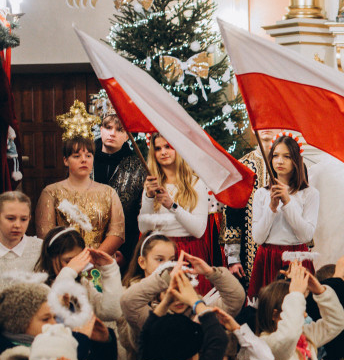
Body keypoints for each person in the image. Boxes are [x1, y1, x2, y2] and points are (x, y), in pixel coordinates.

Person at [139, 134, 216, 289]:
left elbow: (199, 230)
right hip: (160, 252)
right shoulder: (151, 184)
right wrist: (148, 197)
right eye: (158, 148)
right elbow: (144, 229)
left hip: (188, 251)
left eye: (168, 146)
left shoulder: (195, 183)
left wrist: (172, 206)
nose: (163, 152)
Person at [248, 134, 319, 298]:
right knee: (267, 311)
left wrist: (287, 202)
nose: (279, 161)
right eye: (275, 156)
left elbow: (306, 235)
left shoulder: (309, 194)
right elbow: (258, 238)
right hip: (268, 257)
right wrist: (272, 208)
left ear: (296, 160)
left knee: (298, 307)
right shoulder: (261, 194)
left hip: (297, 258)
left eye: (286, 156)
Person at [36, 134, 126, 257]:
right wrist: (71, 261)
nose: (84, 160)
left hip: (100, 263)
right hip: (63, 262)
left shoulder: (109, 192)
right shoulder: (51, 192)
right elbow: (46, 235)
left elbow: (117, 233)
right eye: (76, 156)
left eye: (88, 156)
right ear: (65, 160)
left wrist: (93, 259)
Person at [92, 109, 148, 266]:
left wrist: (127, 252)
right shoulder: (86, 160)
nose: (112, 133)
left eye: (119, 130)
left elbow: (139, 214)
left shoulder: (138, 167)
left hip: (122, 249)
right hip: (86, 244)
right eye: (108, 128)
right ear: (101, 130)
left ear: (127, 135)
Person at [36, 226, 123, 322]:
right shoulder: (39, 287)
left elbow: (111, 314)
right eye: (69, 261)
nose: (76, 266)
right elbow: (54, 310)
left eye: (79, 260)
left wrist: (109, 270)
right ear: (50, 258)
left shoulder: (83, 284)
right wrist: (69, 271)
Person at [223, 129, 276, 285]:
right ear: (253, 127)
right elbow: (233, 212)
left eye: (270, 121)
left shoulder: (291, 165)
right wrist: (233, 258)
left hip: (284, 251)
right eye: (261, 122)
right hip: (249, 253)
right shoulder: (242, 166)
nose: (266, 127)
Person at [0, 190, 42, 276]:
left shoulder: (40, 249)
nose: (17, 225)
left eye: (23, 219)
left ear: (29, 218)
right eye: (10, 218)